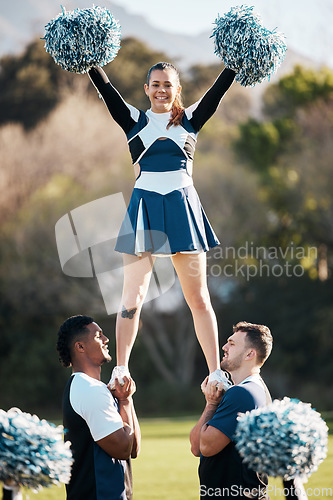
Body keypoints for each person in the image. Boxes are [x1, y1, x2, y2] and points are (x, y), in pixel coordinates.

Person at [88, 61, 236, 387]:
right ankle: (122, 369)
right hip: (144, 208)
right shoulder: (134, 120)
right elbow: (107, 91)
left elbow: (217, 92)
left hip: (183, 208)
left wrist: (235, 64)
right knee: (132, 298)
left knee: (198, 299)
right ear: (146, 89)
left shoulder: (191, 120)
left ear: (177, 89)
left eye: (168, 84)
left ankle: (214, 373)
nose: (161, 90)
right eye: (155, 84)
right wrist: (90, 61)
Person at [56, 315, 141, 500]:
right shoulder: (89, 389)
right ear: (80, 347)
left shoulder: (92, 387)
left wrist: (127, 400)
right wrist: (124, 402)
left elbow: (134, 449)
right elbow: (123, 449)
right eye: (98, 335)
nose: (106, 339)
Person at [190, 321, 273, 499]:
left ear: (250, 354)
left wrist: (212, 404)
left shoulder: (241, 394)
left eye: (232, 343)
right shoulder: (259, 390)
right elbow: (196, 447)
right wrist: (212, 402)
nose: (224, 347)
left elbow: (205, 447)